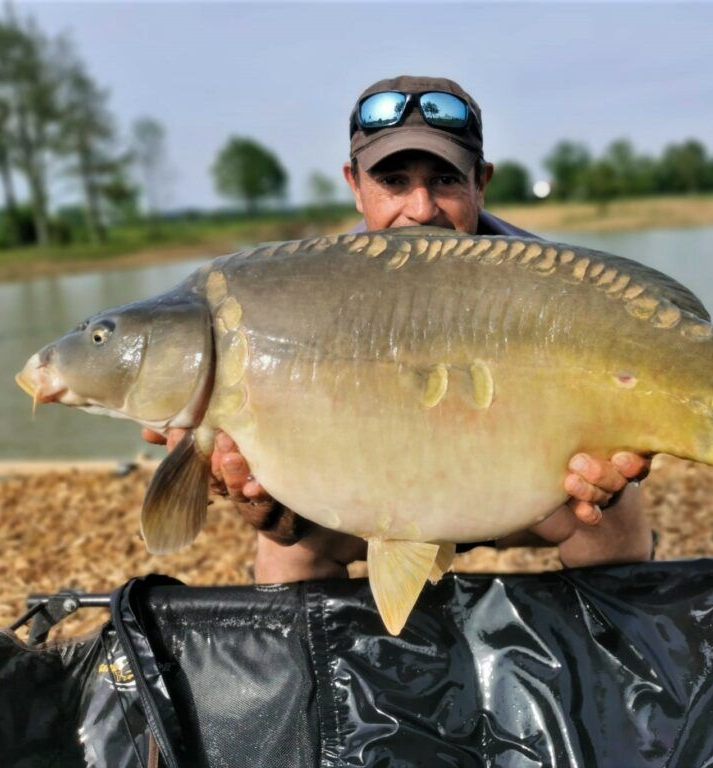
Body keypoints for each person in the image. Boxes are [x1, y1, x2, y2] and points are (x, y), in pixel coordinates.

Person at [143, 75, 653, 582]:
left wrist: (611, 463)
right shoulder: (309, 292)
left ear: (480, 183)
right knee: (288, 551)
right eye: (393, 182)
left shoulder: (553, 287)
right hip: (379, 486)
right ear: (355, 186)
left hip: (513, 487)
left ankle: (614, 630)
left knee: (614, 519)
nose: (420, 208)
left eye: (445, 180)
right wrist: (275, 507)